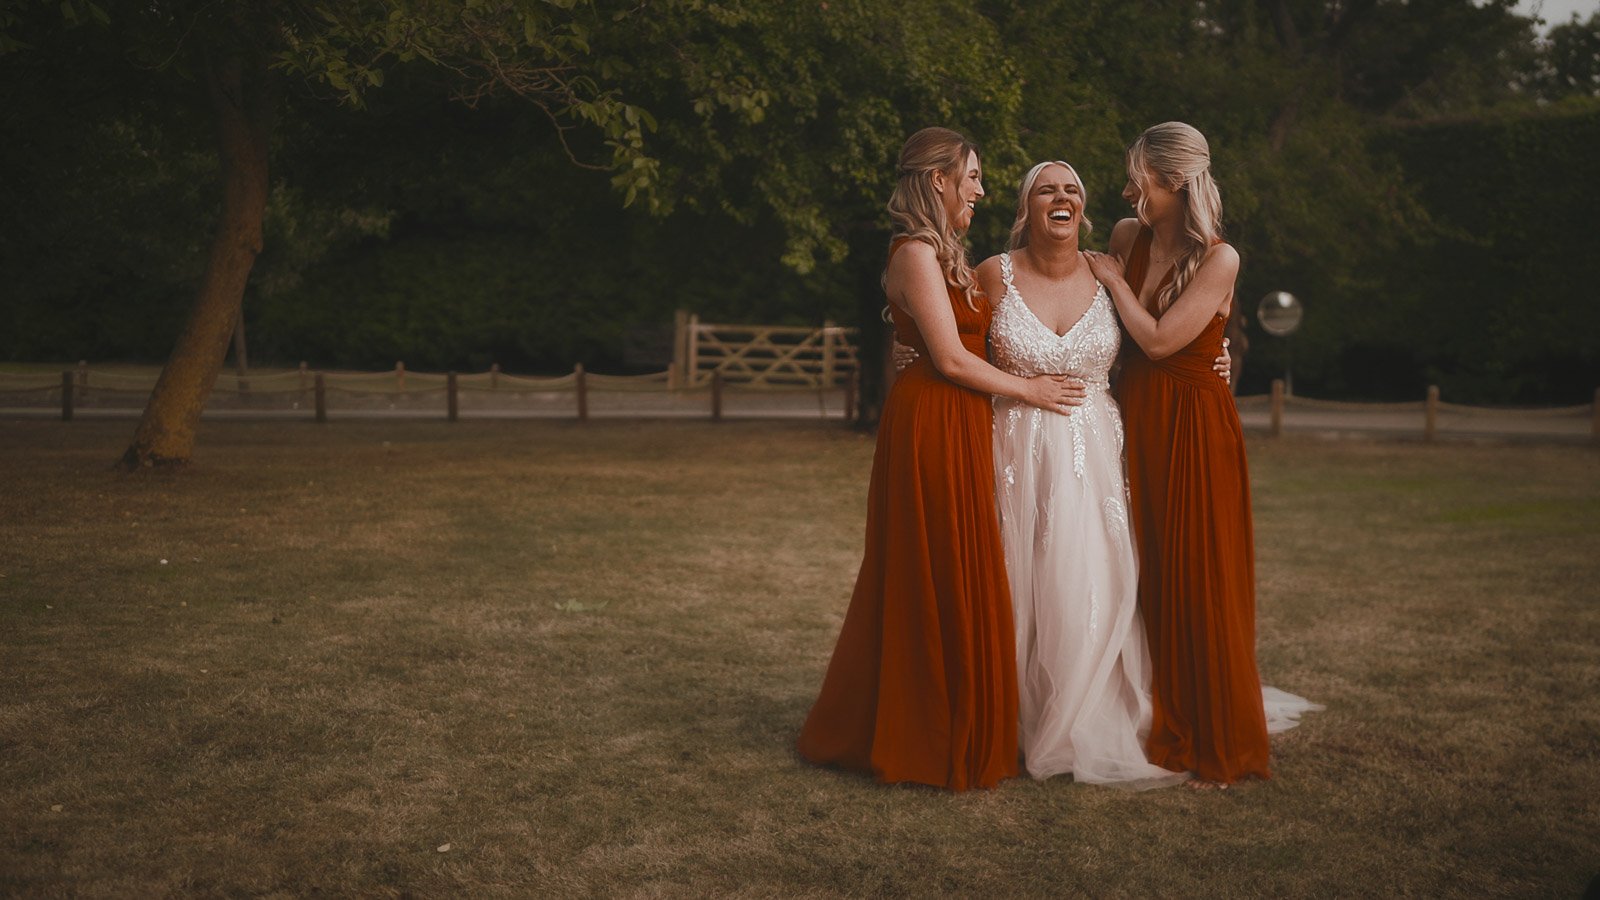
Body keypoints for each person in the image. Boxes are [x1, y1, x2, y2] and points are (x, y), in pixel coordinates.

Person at [796, 127, 1084, 791]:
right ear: (938, 181)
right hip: (929, 425)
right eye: (973, 177)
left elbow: (953, 343)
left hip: (959, 419)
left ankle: (963, 717)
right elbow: (952, 359)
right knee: (935, 569)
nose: (981, 191)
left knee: (963, 566)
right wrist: (1033, 391)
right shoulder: (915, 253)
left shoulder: (945, 254)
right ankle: (922, 729)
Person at [1085, 121, 1319, 789]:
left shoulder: (1221, 259)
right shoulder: (1127, 238)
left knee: (1198, 568)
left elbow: (1159, 340)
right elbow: (1102, 324)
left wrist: (1113, 282)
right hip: (1134, 418)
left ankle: (1211, 725)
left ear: (1175, 183)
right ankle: (1150, 703)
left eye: (1141, 177)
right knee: (1143, 565)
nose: (1130, 189)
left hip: (1194, 428)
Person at [977, 161, 1187, 788]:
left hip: (1096, 451)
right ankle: (1013, 715)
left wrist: (1220, 346)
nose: (1061, 197)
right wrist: (910, 348)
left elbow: (1167, 327)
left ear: (1083, 209)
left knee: (1091, 575)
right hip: (1015, 448)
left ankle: (1084, 720)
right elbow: (953, 341)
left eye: (1072, 190)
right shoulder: (994, 273)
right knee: (1021, 577)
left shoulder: (1111, 269)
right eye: (1047, 190)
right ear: (1027, 207)